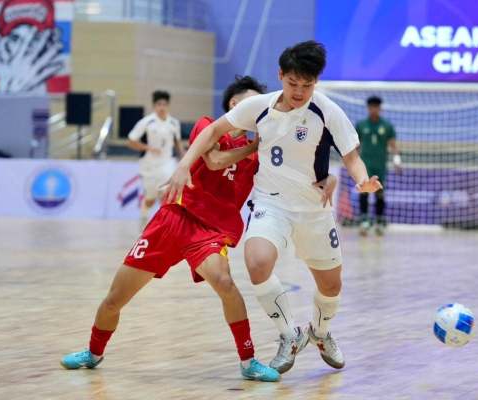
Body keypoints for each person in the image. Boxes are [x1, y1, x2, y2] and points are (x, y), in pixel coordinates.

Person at [60, 76, 312, 382]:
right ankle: (93, 352)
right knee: (115, 298)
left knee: (225, 283)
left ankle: (248, 361)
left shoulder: (260, 154)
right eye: (252, 103)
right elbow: (215, 160)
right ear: (234, 104)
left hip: (209, 231)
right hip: (172, 219)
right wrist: (252, 147)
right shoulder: (207, 125)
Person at [163, 41, 382, 374]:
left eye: (307, 85)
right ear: (281, 75)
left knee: (331, 286)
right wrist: (183, 165)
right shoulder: (259, 107)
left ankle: (320, 333)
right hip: (271, 202)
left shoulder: (327, 110)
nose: (299, 92)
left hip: (313, 209)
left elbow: (351, 157)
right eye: (293, 83)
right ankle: (289, 335)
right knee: (257, 262)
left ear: (316, 82)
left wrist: (362, 181)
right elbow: (214, 130)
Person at [127, 90, 185, 226]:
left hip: (167, 163)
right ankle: (144, 217)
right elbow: (131, 141)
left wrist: (184, 158)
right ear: (154, 106)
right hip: (149, 165)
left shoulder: (174, 123)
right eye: (159, 104)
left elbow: (178, 143)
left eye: (164, 104)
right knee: (150, 199)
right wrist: (148, 148)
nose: (162, 107)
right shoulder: (147, 122)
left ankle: (165, 224)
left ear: (168, 106)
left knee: (166, 194)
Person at [355, 96, 401, 236]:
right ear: (368, 108)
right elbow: (356, 145)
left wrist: (397, 160)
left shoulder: (387, 126)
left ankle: (379, 222)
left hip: (380, 165)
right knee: (363, 192)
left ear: (380, 108)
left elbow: (393, 145)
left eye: (376, 107)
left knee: (379, 193)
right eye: (371, 107)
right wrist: (353, 161)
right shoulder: (361, 125)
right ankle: (364, 221)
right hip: (365, 165)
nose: (374, 109)